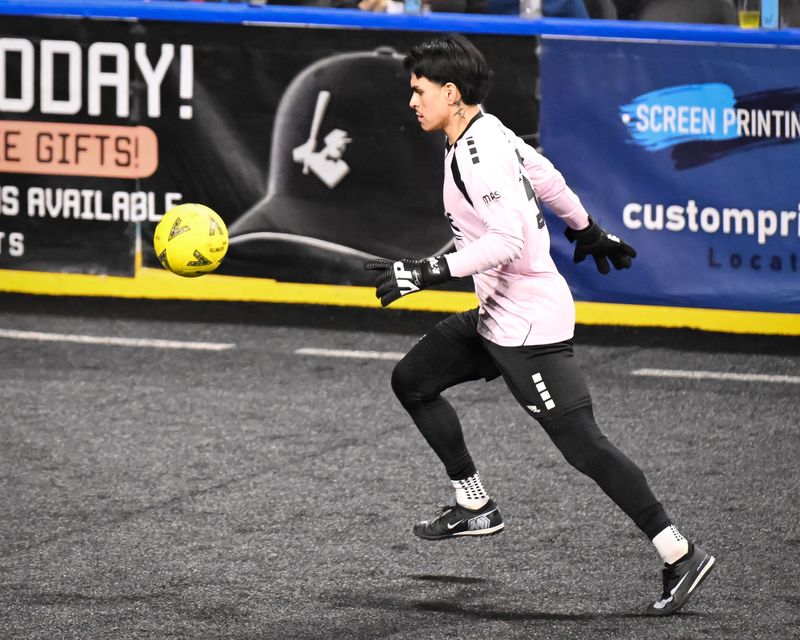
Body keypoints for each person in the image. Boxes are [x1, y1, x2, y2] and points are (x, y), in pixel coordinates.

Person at [364, 34, 715, 616]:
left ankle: (680, 552)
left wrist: (427, 270)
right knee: (413, 380)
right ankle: (475, 503)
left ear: (450, 94)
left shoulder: (478, 153)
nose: (412, 102)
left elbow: (504, 242)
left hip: (528, 329)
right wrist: (586, 229)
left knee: (585, 447)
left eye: (419, 91)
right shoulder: (486, 131)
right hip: (495, 316)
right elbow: (546, 175)